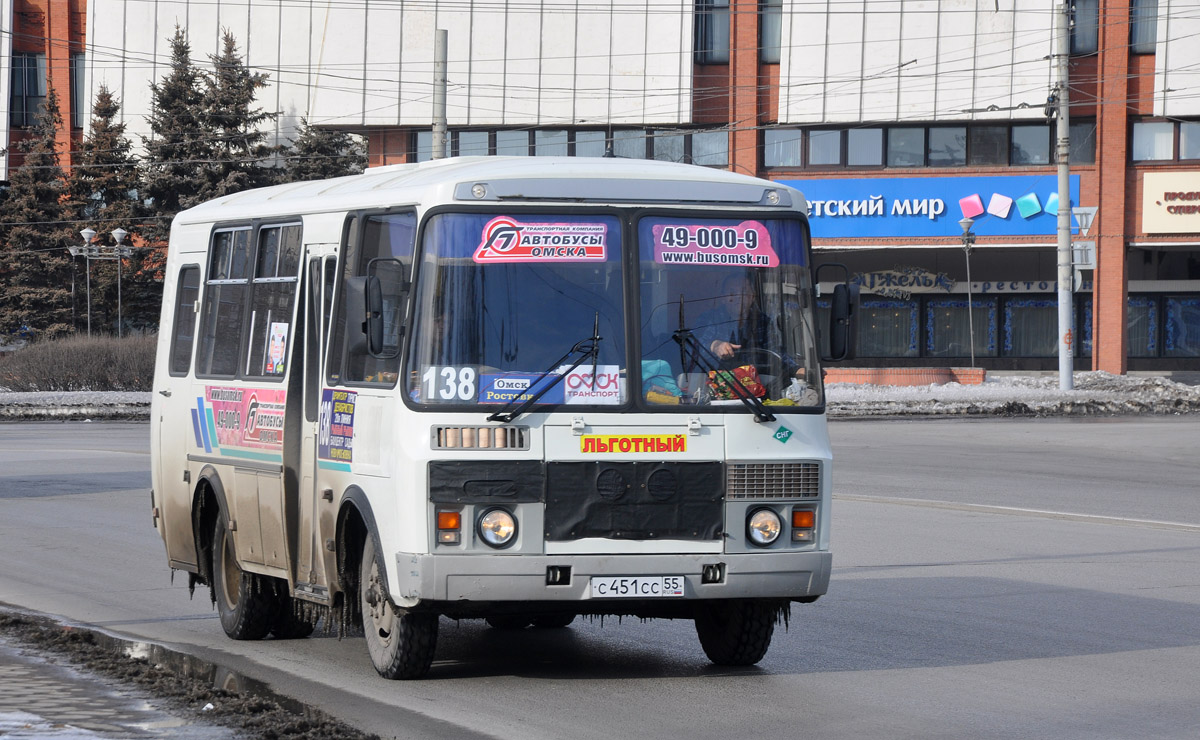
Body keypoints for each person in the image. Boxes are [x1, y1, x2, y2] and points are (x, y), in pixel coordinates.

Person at [695, 273, 804, 380]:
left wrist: (796, 370)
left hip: (754, 386)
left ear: (752, 296)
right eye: (732, 293)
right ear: (723, 297)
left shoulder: (763, 322)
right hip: (717, 383)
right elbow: (693, 347)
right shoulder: (710, 319)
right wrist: (714, 345)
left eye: (744, 292)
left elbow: (775, 350)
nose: (739, 297)